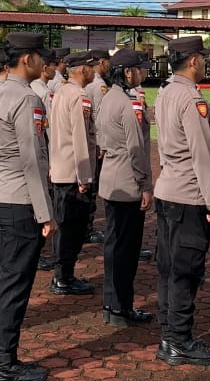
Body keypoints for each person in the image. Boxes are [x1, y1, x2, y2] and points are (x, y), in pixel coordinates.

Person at [0, 32, 55, 381]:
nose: (46, 63)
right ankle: (2, 363)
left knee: (5, 279)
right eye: (41, 57)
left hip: (1, 192)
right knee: (14, 283)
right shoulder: (26, 98)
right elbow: (31, 159)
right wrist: (45, 213)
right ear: (28, 59)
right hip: (20, 198)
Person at [153, 36, 210, 366]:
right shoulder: (191, 98)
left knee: (169, 268)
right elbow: (202, 154)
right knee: (186, 270)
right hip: (189, 194)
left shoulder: (166, 91)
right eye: (203, 58)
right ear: (193, 61)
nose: (205, 63)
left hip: (167, 188)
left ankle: (170, 334)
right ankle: (179, 339)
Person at [97, 48, 154, 326]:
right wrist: (145, 184)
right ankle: (121, 306)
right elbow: (136, 149)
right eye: (139, 69)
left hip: (111, 179)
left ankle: (112, 304)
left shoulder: (108, 99)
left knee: (114, 245)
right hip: (127, 182)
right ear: (127, 72)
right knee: (126, 250)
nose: (143, 73)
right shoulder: (125, 104)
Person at [47, 50, 98, 295]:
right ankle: (63, 277)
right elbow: (81, 139)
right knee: (72, 228)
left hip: (60, 168)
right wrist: (85, 177)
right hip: (74, 174)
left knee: (65, 225)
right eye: (92, 67)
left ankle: (62, 274)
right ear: (82, 70)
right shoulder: (79, 95)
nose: (95, 71)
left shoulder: (61, 91)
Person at [84, 50, 112, 244]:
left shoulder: (86, 83)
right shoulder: (99, 84)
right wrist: (102, 144)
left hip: (86, 138)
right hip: (94, 140)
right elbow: (101, 119)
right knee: (91, 188)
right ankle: (88, 229)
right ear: (102, 62)